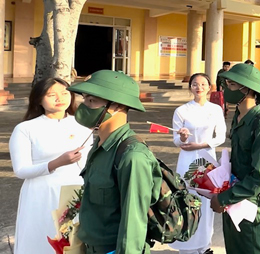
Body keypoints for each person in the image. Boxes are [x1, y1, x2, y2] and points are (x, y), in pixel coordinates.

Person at [68, 70, 162, 253]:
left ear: (117, 106)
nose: (83, 106)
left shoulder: (132, 156)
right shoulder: (99, 145)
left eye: (92, 101)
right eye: (84, 99)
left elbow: (133, 224)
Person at [9, 78, 89, 254]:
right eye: (51, 94)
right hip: (41, 192)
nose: (59, 98)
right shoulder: (25, 129)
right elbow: (21, 170)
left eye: (64, 93)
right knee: (41, 238)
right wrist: (56, 163)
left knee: (73, 242)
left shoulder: (83, 125)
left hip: (75, 192)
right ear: (38, 99)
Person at [209, 63, 260, 253]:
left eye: (231, 85)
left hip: (249, 205)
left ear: (246, 88)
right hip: (233, 200)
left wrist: (224, 198)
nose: (226, 89)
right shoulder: (238, 117)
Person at [169, 73, 226, 254]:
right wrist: (183, 137)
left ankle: (204, 245)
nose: (199, 87)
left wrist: (201, 144)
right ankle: (187, 246)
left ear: (209, 87)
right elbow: (177, 140)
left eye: (203, 84)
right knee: (188, 200)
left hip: (207, 159)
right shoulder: (182, 110)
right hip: (187, 161)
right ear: (190, 87)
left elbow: (221, 137)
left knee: (206, 200)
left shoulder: (216, 109)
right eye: (195, 84)